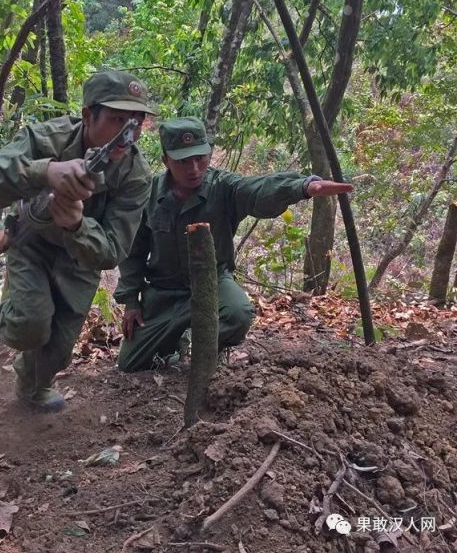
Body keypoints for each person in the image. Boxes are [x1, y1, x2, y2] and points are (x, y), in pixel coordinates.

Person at [0, 69, 157, 411]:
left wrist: (78, 225)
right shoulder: (49, 138)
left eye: (136, 123)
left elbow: (111, 251)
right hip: (32, 241)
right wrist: (44, 171)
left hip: (80, 259)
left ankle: (32, 386)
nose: (128, 134)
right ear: (87, 115)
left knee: (59, 349)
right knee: (30, 326)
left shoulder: (135, 175)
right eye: (116, 120)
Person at [114, 117, 353, 372]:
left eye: (200, 158)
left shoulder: (223, 186)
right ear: (166, 161)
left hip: (214, 283)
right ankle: (177, 343)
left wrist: (303, 187)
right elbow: (132, 251)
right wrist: (131, 301)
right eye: (183, 161)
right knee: (130, 363)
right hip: (164, 292)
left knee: (238, 313)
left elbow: (257, 189)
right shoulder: (149, 195)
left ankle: (203, 347)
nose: (194, 168)